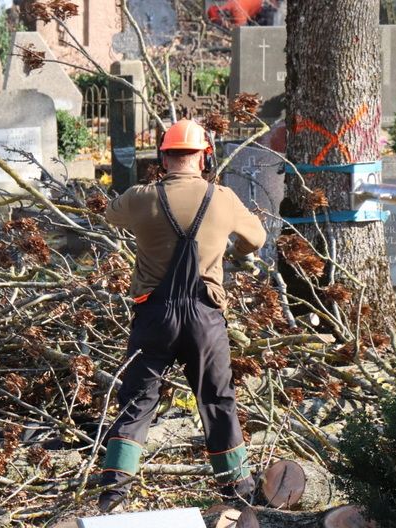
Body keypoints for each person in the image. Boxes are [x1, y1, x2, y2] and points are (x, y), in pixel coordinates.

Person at [98, 119, 266, 512]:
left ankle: (112, 495)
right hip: (204, 317)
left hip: (153, 315)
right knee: (217, 399)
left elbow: (111, 215)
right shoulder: (222, 198)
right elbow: (256, 238)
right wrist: (233, 252)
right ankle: (238, 492)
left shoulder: (143, 197)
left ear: (163, 156)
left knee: (136, 401)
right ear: (205, 156)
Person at [207, 0, 279, 27]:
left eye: (220, 22)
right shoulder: (228, 7)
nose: (222, 24)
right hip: (253, 11)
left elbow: (243, 31)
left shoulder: (237, 10)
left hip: (263, 9)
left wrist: (229, 26)